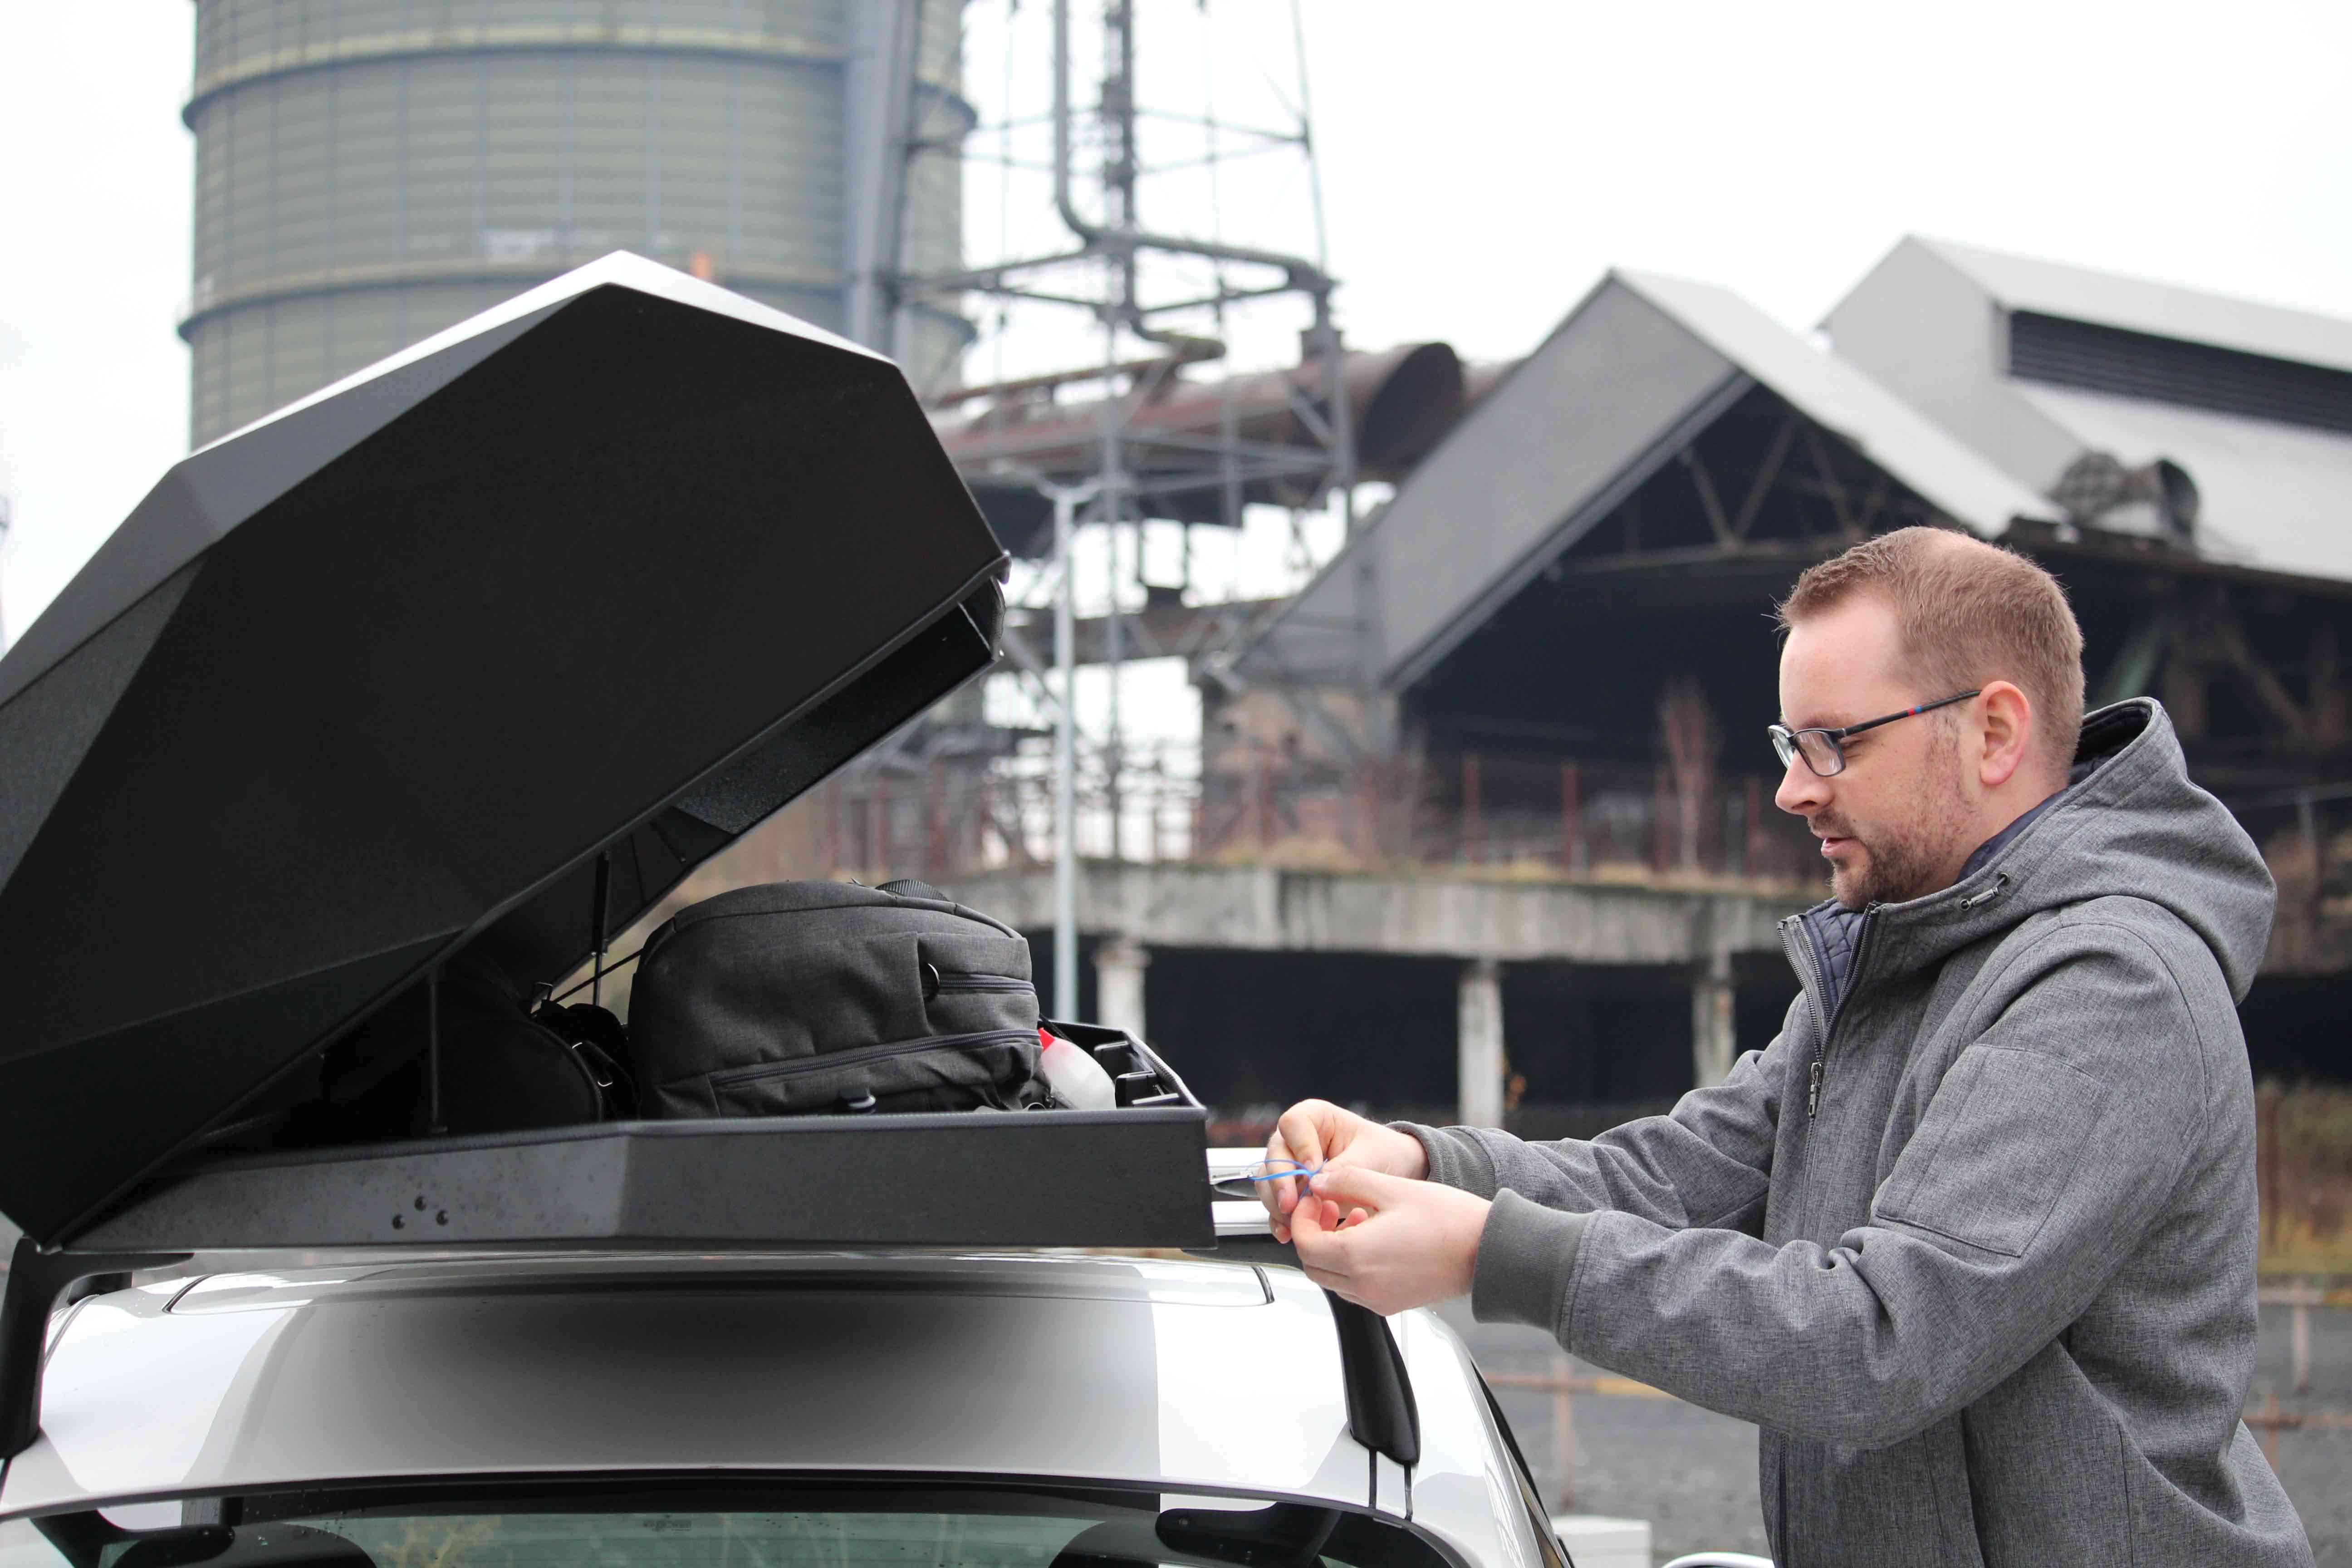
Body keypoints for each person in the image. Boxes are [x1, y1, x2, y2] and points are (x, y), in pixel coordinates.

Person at [1259, 528, 2312, 1567]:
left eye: (1834, 743)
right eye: (1788, 744)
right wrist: (1429, 1164)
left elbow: (1881, 1338)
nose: (1793, 789)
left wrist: (1490, 1251)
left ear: (1994, 733)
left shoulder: (2109, 984)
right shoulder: (1901, 955)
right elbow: (1672, 1177)